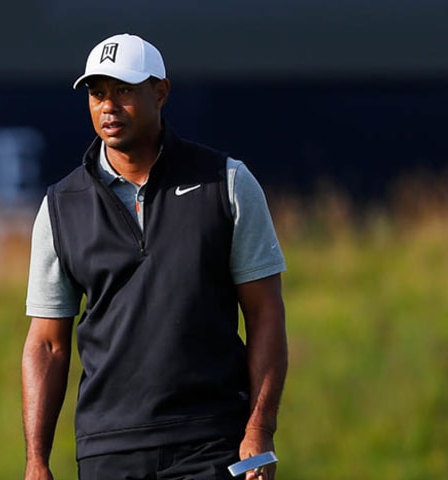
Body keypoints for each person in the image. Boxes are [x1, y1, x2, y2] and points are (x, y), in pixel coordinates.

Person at [21, 33, 288, 480]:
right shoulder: (60, 206)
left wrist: (259, 430)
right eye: (97, 93)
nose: (108, 106)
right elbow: (46, 344)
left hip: (212, 442)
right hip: (108, 449)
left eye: (124, 91)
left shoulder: (226, 183)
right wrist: (36, 461)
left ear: (160, 92)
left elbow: (265, 315)